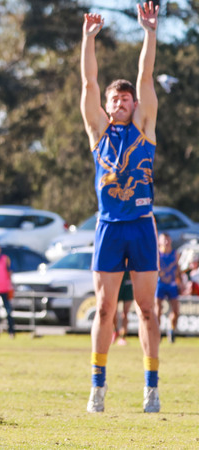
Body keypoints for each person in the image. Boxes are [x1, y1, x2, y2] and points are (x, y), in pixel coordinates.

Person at [80, 2, 161, 413]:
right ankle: (97, 387)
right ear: (108, 106)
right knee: (105, 308)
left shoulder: (145, 129)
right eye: (116, 98)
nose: (121, 102)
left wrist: (149, 32)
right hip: (109, 226)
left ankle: (151, 388)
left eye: (127, 98)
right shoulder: (98, 133)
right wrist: (87, 39)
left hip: (141, 225)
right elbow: (89, 82)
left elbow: (145, 76)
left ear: (134, 105)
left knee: (147, 309)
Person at [155, 233, 180, 343]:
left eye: (167, 240)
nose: (166, 242)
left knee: (176, 310)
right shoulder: (157, 254)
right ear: (159, 242)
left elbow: (178, 269)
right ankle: (158, 332)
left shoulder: (175, 254)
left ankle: (172, 330)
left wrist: (180, 281)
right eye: (164, 240)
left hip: (171, 284)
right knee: (157, 310)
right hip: (159, 284)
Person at [112, 272, 134, 346]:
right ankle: (115, 331)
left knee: (125, 313)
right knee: (113, 313)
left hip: (128, 285)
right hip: (117, 283)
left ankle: (123, 337)